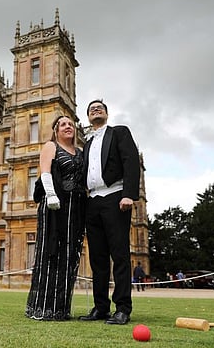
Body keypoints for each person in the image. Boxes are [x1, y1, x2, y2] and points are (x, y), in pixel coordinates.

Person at [79, 100, 140, 325]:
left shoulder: (119, 132)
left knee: (120, 255)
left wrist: (129, 194)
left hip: (115, 197)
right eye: (92, 109)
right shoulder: (86, 143)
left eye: (99, 108)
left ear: (106, 113)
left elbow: (131, 161)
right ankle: (101, 307)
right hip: (92, 200)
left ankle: (123, 308)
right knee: (98, 258)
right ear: (88, 117)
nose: (96, 110)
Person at [25, 115, 86, 321]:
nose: (68, 127)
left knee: (69, 254)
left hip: (75, 208)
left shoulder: (80, 152)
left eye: (70, 124)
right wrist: (51, 194)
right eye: (63, 124)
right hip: (55, 205)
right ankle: (43, 307)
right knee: (51, 251)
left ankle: (61, 308)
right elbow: (45, 172)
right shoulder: (51, 146)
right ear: (56, 130)